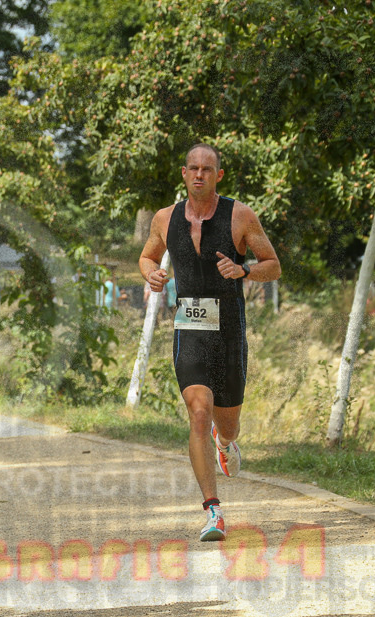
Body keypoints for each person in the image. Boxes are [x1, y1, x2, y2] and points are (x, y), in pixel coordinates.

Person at [139, 143, 281, 542]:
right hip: (189, 327)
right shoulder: (165, 219)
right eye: (193, 168)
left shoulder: (239, 215)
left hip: (229, 330)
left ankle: (227, 442)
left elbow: (273, 265)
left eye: (208, 169)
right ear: (184, 174)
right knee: (198, 411)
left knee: (227, 422)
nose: (200, 174)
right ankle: (213, 511)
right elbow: (147, 257)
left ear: (219, 175)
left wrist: (243, 270)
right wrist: (151, 274)